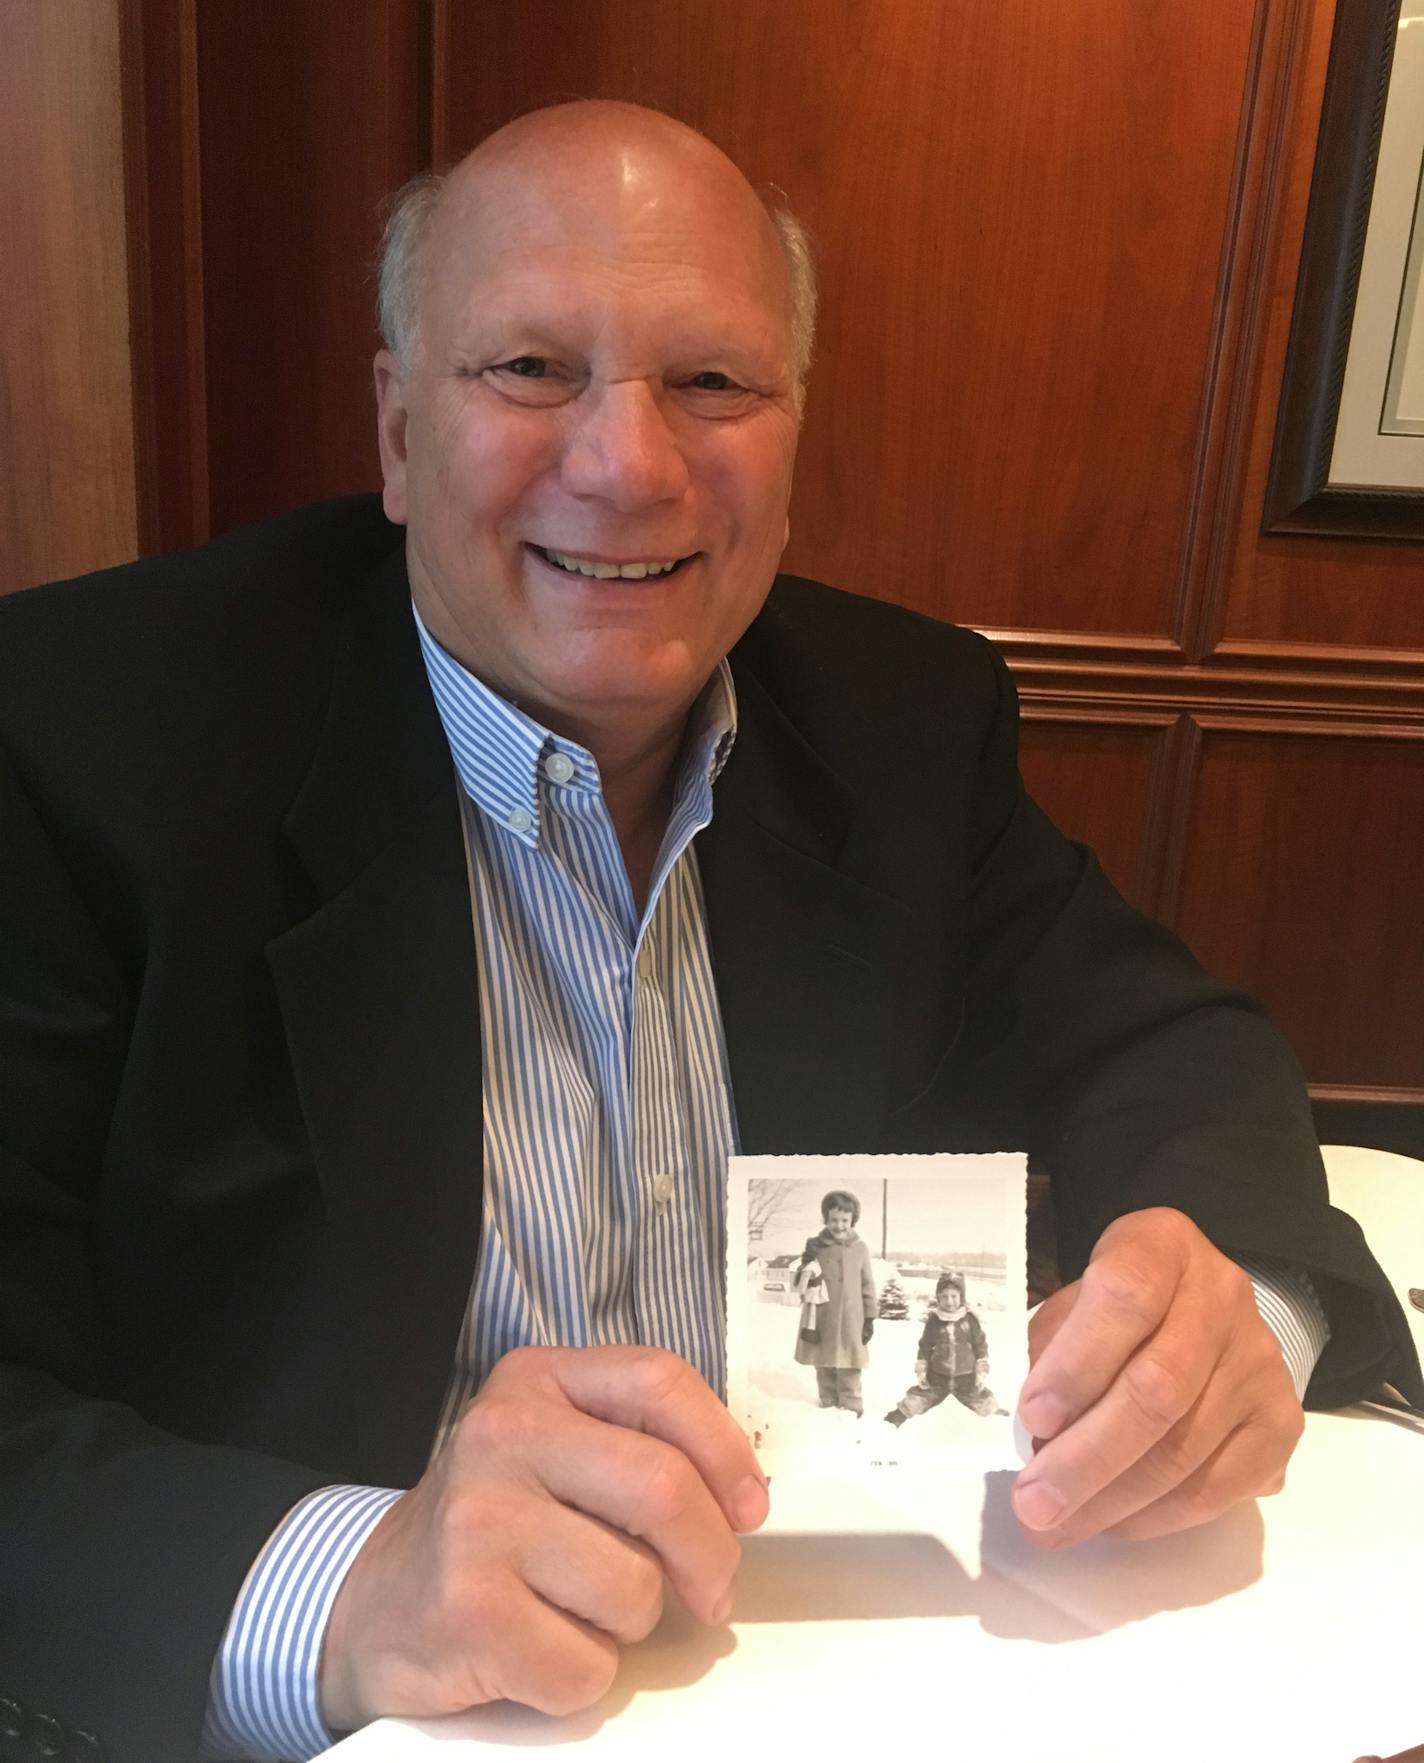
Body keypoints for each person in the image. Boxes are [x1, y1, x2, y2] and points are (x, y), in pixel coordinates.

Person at [0, 97, 1419, 1763]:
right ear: (396, 431)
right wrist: (356, 1580)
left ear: (791, 428)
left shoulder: (899, 715)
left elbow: (1152, 1037)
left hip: (834, 1681)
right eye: (528, 368)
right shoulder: (79, 740)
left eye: (711, 381)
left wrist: (1231, 1308)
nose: (626, 463)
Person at [793, 1191, 878, 1414]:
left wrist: (869, 1318)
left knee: (850, 1364)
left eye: (844, 1220)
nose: (839, 1225)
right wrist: (805, 1267)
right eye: (833, 1220)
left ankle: (851, 1410)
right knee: (823, 1362)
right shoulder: (816, 1246)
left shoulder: (860, 1248)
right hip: (821, 1316)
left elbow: (867, 1284)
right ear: (825, 1218)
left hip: (852, 1317)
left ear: (853, 1220)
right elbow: (800, 1279)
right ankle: (828, 1405)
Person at [884, 1271, 1006, 1426]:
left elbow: (980, 1345)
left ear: (961, 1297)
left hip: (966, 1376)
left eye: (954, 1296)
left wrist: (981, 1370)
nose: (949, 1301)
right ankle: (897, 1416)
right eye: (944, 1296)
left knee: (981, 1400)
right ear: (939, 1297)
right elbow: (925, 1346)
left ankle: (997, 1415)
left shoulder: (969, 1320)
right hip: (938, 1375)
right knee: (919, 1398)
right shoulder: (934, 1320)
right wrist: (922, 1370)